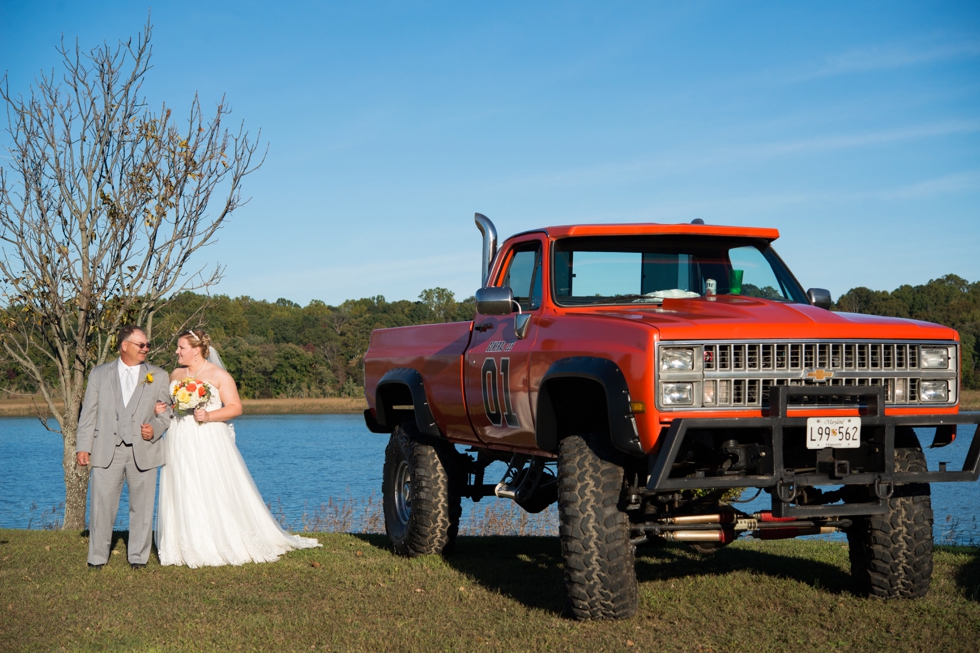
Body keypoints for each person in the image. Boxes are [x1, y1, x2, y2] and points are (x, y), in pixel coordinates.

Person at [154, 329, 321, 567]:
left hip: (208, 437)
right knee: (183, 483)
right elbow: (173, 406)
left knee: (211, 486)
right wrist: (164, 409)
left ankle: (218, 540)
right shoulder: (176, 374)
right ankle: (184, 542)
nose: (176, 352)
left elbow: (235, 407)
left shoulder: (219, 375)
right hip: (179, 436)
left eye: (181, 347)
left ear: (196, 349)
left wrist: (209, 415)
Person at [76, 325, 173, 569]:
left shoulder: (159, 375)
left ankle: (138, 558)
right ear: (124, 345)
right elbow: (88, 413)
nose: (146, 349)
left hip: (144, 449)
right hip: (106, 449)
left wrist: (155, 428)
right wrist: (83, 447)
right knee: (101, 506)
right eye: (141, 345)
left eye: (147, 345)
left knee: (142, 506)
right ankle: (97, 558)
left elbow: (166, 412)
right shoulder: (99, 374)